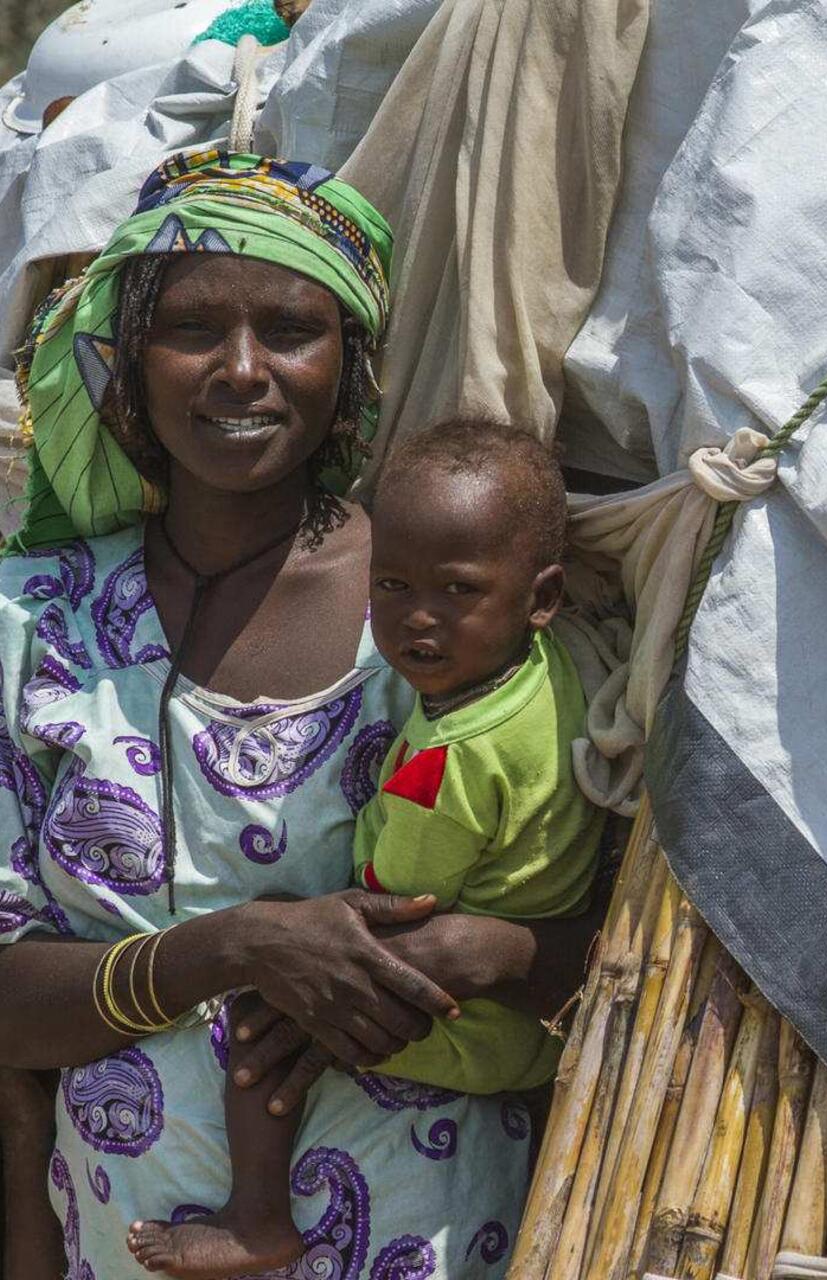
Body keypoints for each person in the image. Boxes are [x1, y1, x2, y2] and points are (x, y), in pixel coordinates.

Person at [0, 149, 599, 1280]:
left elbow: (612, 946)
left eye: (288, 328)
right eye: (190, 330)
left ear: (352, 364)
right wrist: (232, 948)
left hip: (430, 1232)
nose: (239, 369)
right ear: (125, 363)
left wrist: (501, 949)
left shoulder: (452, 615)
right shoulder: (32, 619)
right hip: (126, 1236)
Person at [125, 421, 604, 1278]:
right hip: (530, 1017)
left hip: (471, 1026)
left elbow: (395, 903)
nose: (418, 618)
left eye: (457, 591)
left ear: (541, 596)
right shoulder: (544, 671)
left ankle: (257, 1217)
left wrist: (293, 941)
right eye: (391, 584)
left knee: (260, 986)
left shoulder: (443, 761)